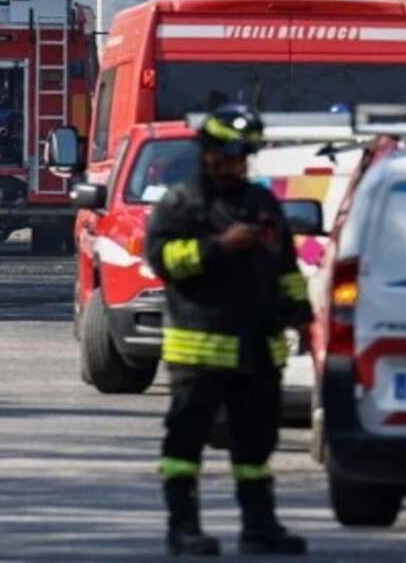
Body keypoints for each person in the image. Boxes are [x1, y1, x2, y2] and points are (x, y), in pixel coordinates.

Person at [144, 104, 312, 557]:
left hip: (258, 347)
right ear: (209, 153)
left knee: (256, 443)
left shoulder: (261, 204)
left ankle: (260, 527)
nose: (239, 164)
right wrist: (218, 246)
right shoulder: (181, 203)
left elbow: (286, 268)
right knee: (186, 441)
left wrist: (301, 314)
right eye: (232, 154)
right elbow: (163, 260)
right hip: (199, 350)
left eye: (245, 155)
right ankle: (184, 529)